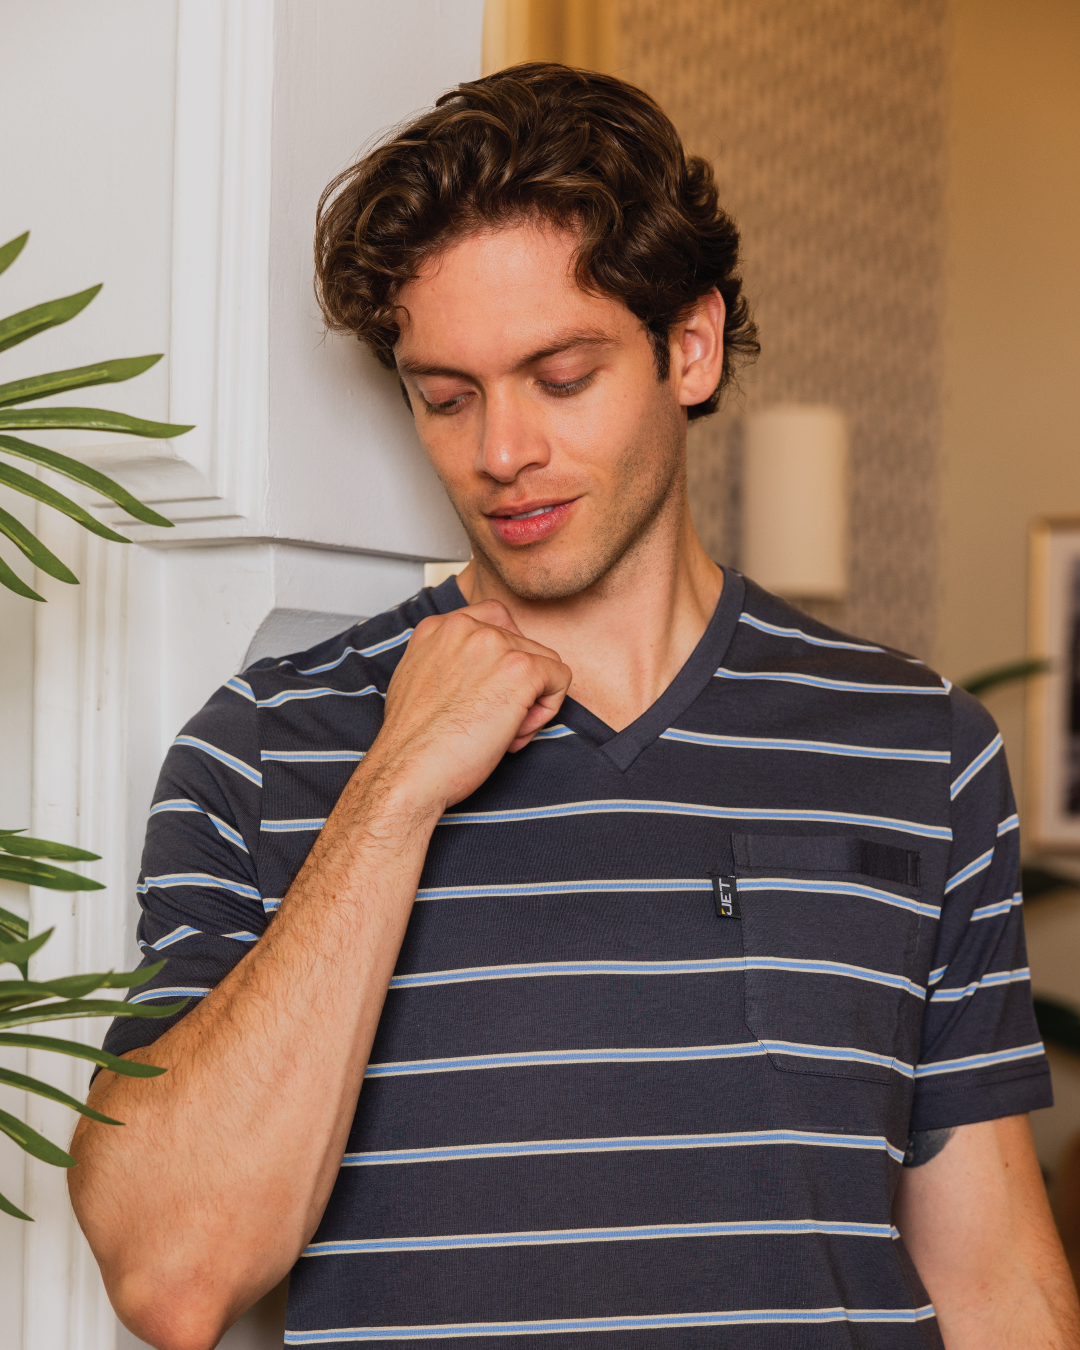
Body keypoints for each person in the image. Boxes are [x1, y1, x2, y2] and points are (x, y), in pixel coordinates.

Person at [69, 64, 1079, 1350]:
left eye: (560, 377)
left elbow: (993, 1275)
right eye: (446, 396)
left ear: (690, 346)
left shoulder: (918, 745)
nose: (500, 452)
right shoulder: (266, 748)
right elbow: (172, 1276)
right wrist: (397, 786)